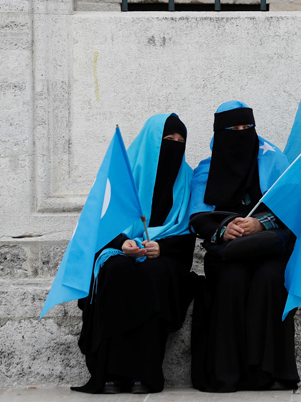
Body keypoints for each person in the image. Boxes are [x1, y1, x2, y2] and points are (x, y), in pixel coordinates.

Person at [72, 113, 197, 394]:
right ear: (152, 143)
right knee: (117, 271)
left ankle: (146, 374)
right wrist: (122, 242)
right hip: (120, 251)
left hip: (164, 256)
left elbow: (189, 233)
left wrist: (161, 247)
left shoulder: (188, 178)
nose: (174, 147)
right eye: (168, 141)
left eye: (181, 142)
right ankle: (109, 374)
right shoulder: (121, 176)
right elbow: (98, 222)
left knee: (154, 274)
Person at [188, 101, 299, 392]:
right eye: (232, 129)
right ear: (219, 133)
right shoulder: (206, 169)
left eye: (246, 128)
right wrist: (224, 230)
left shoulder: (273, 160)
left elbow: (294, 206)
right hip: (228, 252)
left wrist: (261, 224)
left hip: (270, 247)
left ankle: (270, 373)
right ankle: (230, 374)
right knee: (231, 281)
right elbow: (198, 217)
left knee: (270, 279)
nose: (240, 134)